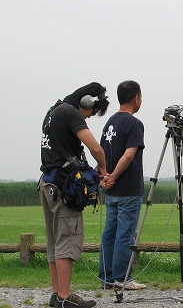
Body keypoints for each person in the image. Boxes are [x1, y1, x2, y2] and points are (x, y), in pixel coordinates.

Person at [39, 82, 110, 308]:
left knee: (54, 241)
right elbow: (95, 148)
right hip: (63, 187)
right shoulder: (71, 113)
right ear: (86, 101)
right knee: (67, 239)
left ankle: (57, 293)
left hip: (48, 183)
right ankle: (65, 296)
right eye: (92, 111)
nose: (90, 117)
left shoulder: (53, 111)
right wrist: (103, 167)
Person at [98, 80, 146, 290]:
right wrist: (114, 176)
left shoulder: (110, 122)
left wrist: (104, 176)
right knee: (124, 234)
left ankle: (107, 277)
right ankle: (122, 277)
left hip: (111, 190)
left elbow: (101, 152)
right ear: (136, 98)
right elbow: (129, 155)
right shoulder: (134, 124)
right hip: (128, 188)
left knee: (110, 233)